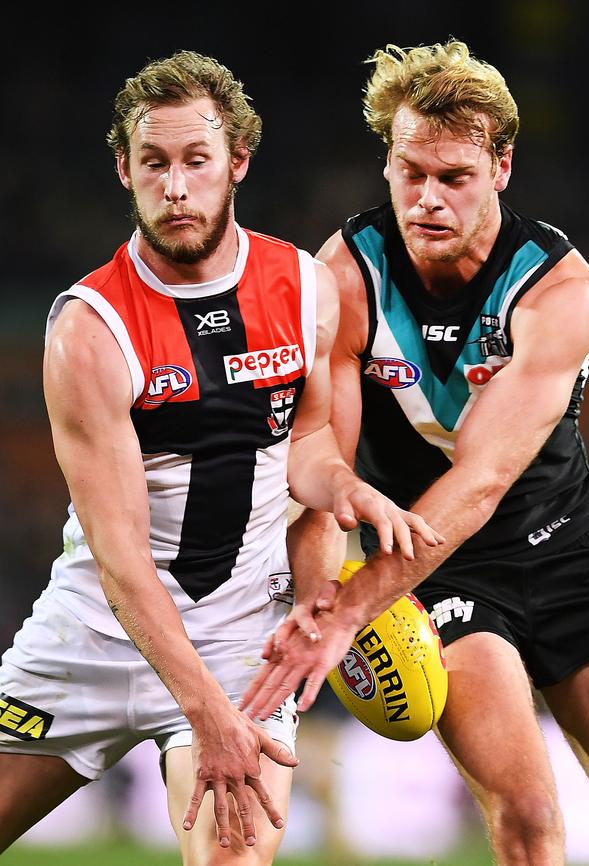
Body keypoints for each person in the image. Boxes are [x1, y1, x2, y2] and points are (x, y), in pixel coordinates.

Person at [0, 50, 441, 864]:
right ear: (124, 169)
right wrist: (208, 717)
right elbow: (123, 558)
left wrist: (347, 494)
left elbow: (306, 453)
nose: (175, 187)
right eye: (154, 163)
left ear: (237, 160)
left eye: (196, 161)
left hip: (243, 639)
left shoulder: (307, 288)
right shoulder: (89, 330)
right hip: (96, 629)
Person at [242, 40, 589, 866]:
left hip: (567, 547)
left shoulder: (560, 290)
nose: (427, 198)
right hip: (435, 571)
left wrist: (350, 612)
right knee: (530, 817)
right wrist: (325, 601)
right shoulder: (346, 277)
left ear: (502, 167)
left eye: (454, 177)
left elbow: (485, 475)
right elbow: (324, 464)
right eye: (409, 171)